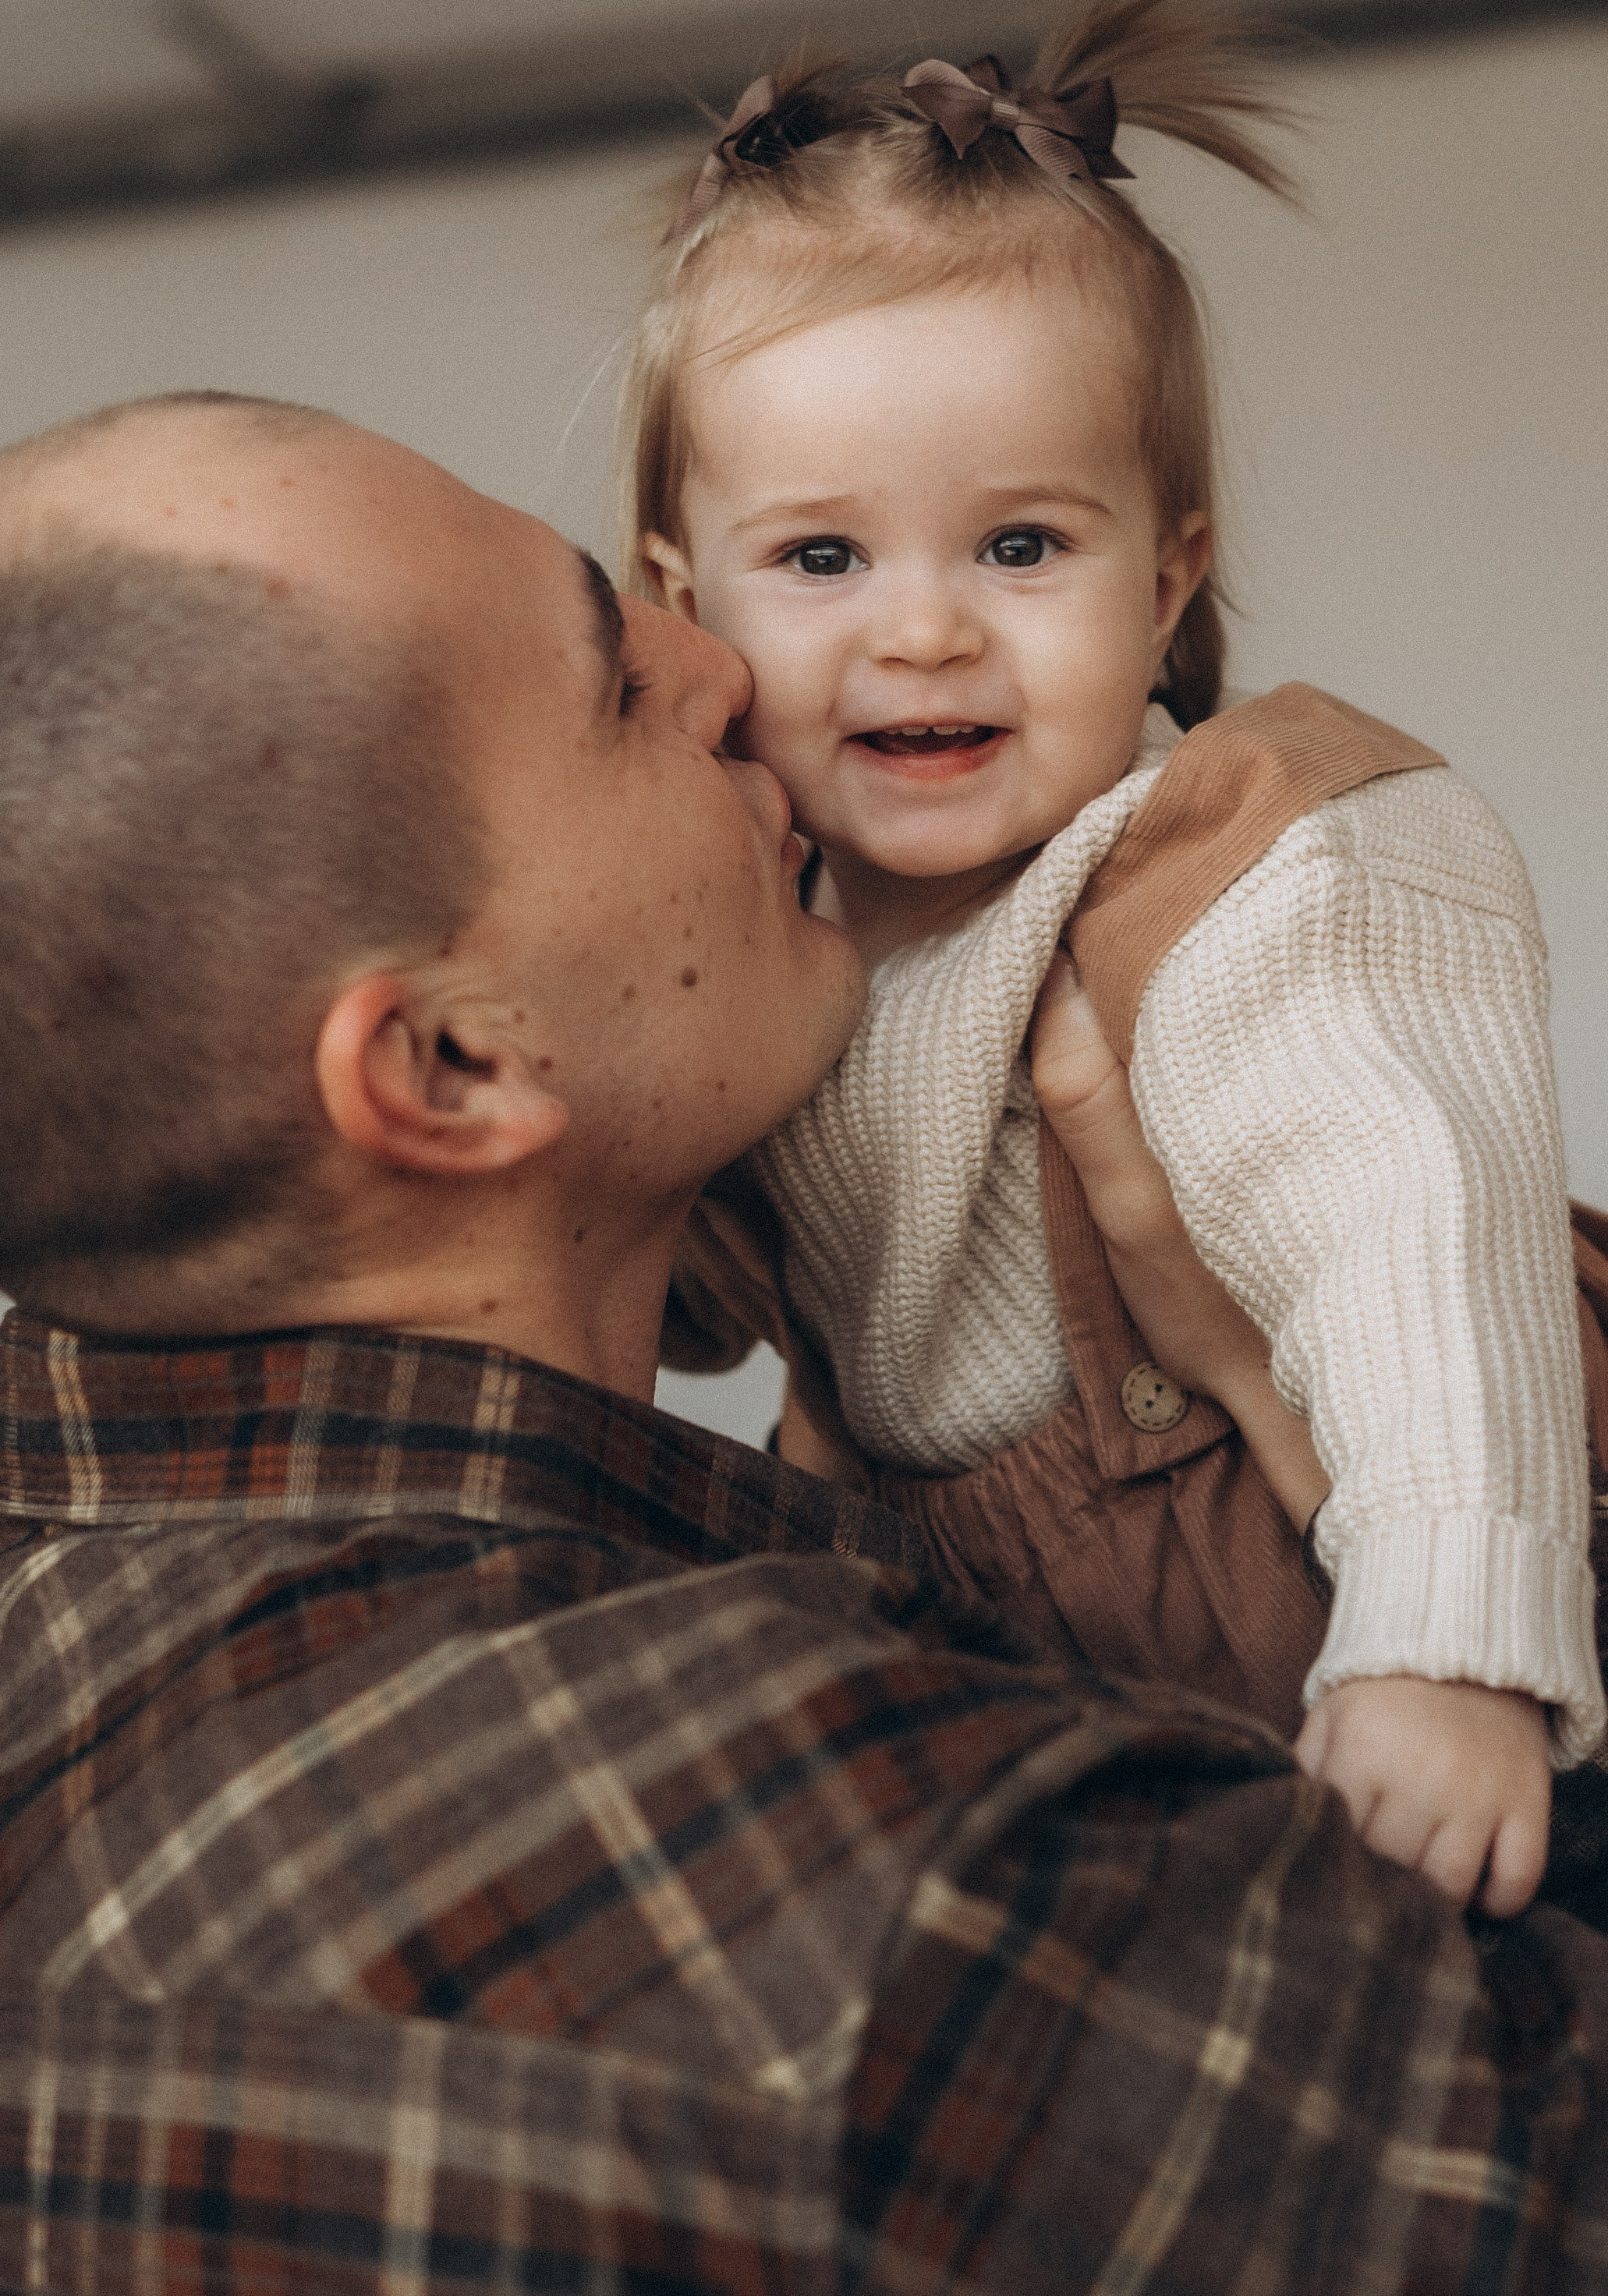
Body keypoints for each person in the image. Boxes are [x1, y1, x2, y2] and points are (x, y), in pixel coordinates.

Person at [2, 391, 1607, 2289]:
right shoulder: (885, 1880)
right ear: (449, 1065)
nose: (726, 665)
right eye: (616, 681)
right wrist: (1338, 1444)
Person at [625, 0, 1607, 1917]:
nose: (921, 633)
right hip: (1069, 1665)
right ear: (684, 600)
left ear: (1162, 584)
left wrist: (1450, 1640)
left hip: (1403, 1576)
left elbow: (1409, 1237)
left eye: (1018, 547)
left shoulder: (1246, 862)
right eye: (823, 560)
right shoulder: (756, 935)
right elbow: (644, 1267)